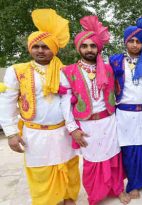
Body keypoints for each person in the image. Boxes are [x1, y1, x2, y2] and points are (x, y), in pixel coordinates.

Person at [0, 9, 80, 205]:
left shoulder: (64, 70)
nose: (41, 50)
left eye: (45, 46)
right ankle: (49, 201)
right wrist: (11, 133)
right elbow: (7, 102)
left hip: (62, 132)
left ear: (54, 49)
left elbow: (68, 101)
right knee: (41, 171)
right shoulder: (17, 71)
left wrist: (73, 128)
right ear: (30, 48)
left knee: (68, 166)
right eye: (36, 46)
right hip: (35, 134)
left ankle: (68, 197)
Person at [60, 16, 129, 205]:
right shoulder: (69, 71)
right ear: (79, 48)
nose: (89, 49)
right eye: (85, 46)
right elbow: (65, 103)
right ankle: (95, 195)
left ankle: (118, 189)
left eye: (92, 46)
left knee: (114, 157)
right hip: (87, 125)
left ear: (98, 47)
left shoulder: (107, 69)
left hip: (109, 121)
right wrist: (72, 128)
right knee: (92, 163)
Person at [109, 15, 142, 200]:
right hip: (125, 114)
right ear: (125, 42)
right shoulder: (115, 61)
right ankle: (133, 184)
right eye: (131, 41)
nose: (134, 44)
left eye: (138, 41)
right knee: (130, 151)